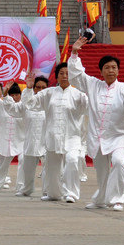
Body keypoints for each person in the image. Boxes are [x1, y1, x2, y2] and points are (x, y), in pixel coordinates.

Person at [69, 34, 124, 211]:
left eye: (114, 67)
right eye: (107, 68)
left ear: (119, 71)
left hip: (119, 136)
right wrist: (74, 53)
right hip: (98, 136)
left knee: (119, 162)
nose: (111, 70)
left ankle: (117, 199)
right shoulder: (93, 85)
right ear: (101, 71)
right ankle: (100, 199)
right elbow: (76, 76)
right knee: (102, 171)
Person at [13, 62, 88, 203]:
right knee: (52, 168)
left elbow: (90, 108)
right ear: (57, 76)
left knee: (72, 160)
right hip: (53, 136)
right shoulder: (48, 93)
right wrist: (29, 88)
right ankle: (54, 194)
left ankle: (71, 193)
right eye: (61, 73)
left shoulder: (79, 95)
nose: (65, 76)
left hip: (72, 136)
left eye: (68, 73)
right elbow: (30, 104)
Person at [5, 76, 49, 197]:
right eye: (37, 87)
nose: (40, 90)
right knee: (28, 168)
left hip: (47, 142)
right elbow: (12, 109)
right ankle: (27, 189)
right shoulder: (26, 105)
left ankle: (47, 191)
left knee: (48, 168)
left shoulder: (51, 103)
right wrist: (27, 89)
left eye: (43, 88)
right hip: (31, 141)